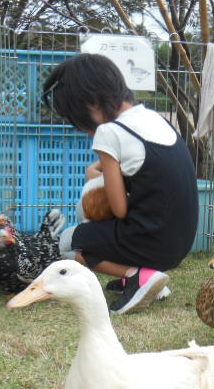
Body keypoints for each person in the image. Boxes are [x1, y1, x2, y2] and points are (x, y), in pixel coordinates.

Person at [43, 53, 199, 314]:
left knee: (69, 242)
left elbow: (119, 209)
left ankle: (139, 276)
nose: (80, 127)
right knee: (93, 233)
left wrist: (95, 178)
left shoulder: (109, 132)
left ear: (90, 104)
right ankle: (149, 279)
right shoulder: (154, 119)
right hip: (180, 242)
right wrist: (100, 173)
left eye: (75, 117)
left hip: (151, 240)